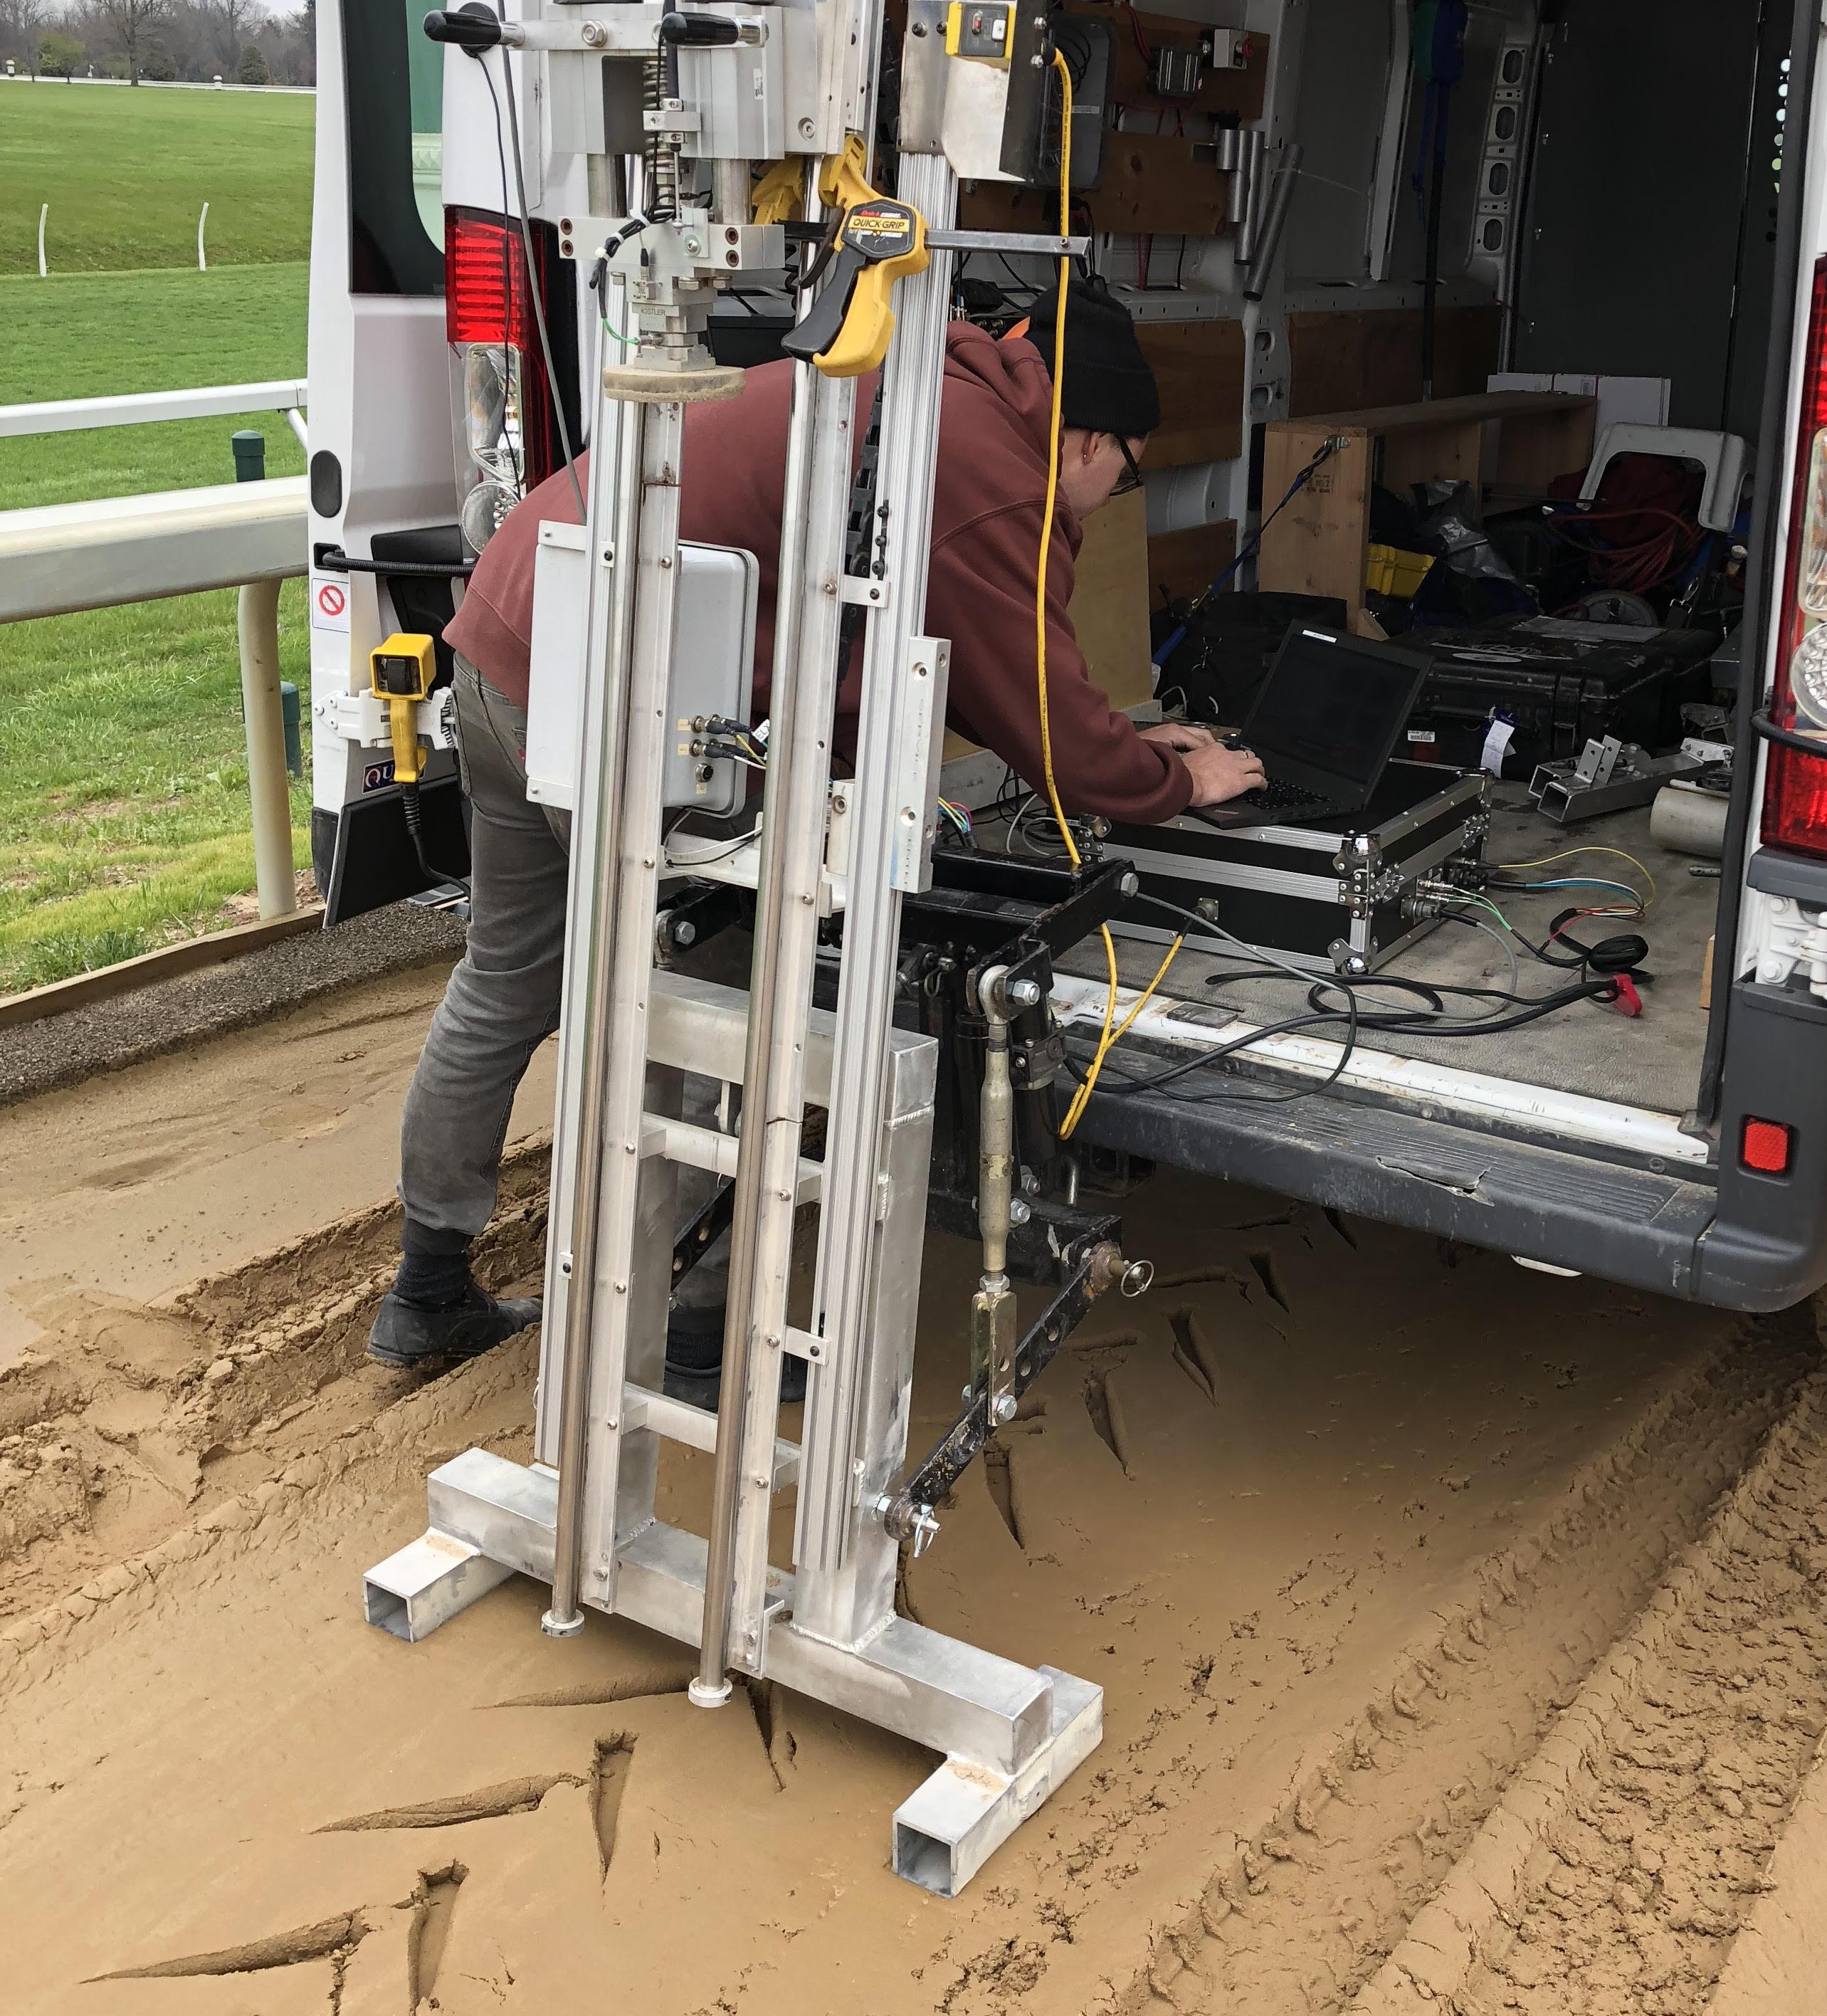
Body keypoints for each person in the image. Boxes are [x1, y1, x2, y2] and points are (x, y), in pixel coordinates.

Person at [366, 278, 1266, 1371]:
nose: (1117, 493)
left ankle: (425, 1293)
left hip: (514, 630)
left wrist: (1114, 743)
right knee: (726, 998)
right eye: (1127, 472)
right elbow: (1046, 718)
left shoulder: (930, 384)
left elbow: (990, 662)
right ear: (1090, 435)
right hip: (619, 688)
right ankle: (697, 1332)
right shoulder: (989, 471)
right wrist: (1176, 782)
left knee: (506, 975)